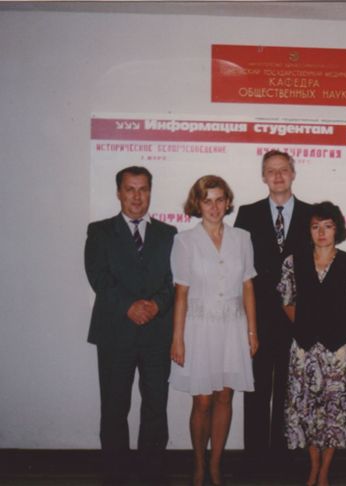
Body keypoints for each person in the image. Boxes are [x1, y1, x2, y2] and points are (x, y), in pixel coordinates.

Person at [84, 166, 177, 482]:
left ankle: (151, 473)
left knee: (155, 407)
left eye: (143, 189)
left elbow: (174, 280)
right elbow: (98, 276)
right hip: (115, 333)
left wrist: (157, 305)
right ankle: (116, 474)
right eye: (130, 189)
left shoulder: (168, 234)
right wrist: (129, 306)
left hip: (156, 333)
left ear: (150, 192)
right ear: (118, 193)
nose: (137, 197)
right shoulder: (99, 231)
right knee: (114, 407)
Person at [170, 175, 258, 486]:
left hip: (233, 328)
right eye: (207, 200)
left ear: (227, 202)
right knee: (203, 402)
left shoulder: (242, 238)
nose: (214, 207)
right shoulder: (185, 241)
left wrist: (252, 332)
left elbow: (248, 287)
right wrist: (177, 339)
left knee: (224, 398)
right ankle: (198, 465)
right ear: (197, 203)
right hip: (199, 330)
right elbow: (181, 293)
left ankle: (216, 464)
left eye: (220, 199)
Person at [277, 201, 346, 486]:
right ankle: (313, 465)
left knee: (333, 412)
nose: (321, 233)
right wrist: (306, 328)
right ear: (309, 230)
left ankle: (324, 472)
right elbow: (287, 302)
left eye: (328, 227)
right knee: (306, 410)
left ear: (337, 229)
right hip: (304, 351)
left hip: (338, 352)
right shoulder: (292, 262)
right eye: (315, 227)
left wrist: (337, 330)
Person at [234, 149, 312, 459]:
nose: (277, 176)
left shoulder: (311, 214)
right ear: (263, 176)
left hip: (298, 317)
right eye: (271, 170)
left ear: (293, 173)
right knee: (256, 387)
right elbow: (240, 268)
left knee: (290, 389)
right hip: (258, 316)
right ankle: (254, 457)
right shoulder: (247, 214)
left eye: (283, 169)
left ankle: (284, 455)